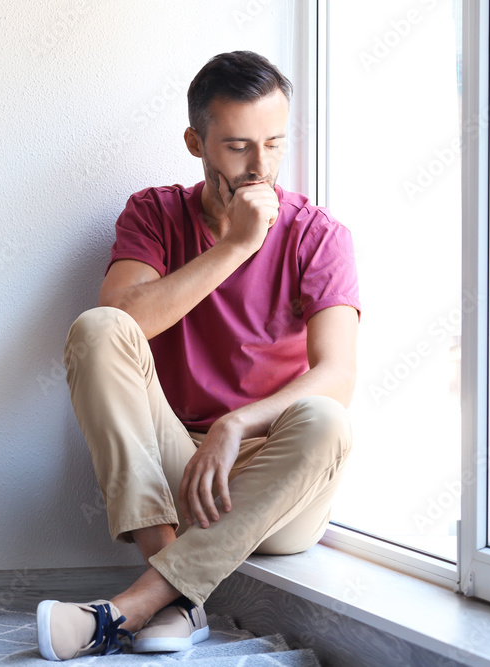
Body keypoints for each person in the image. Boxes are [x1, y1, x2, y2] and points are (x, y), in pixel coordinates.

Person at [37, 50, 361, 661]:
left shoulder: (318, 235)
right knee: (97, 328)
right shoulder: (155, 212)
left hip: (276, 488)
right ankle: (180, 600)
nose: (260, 166)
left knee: (327, 418)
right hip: (176, 476)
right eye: (238, 146)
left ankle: (141, 604)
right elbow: (122, 320)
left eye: (274, 143)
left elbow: (338, 375)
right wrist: (236, 246)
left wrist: (236, 426)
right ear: (196, 143)